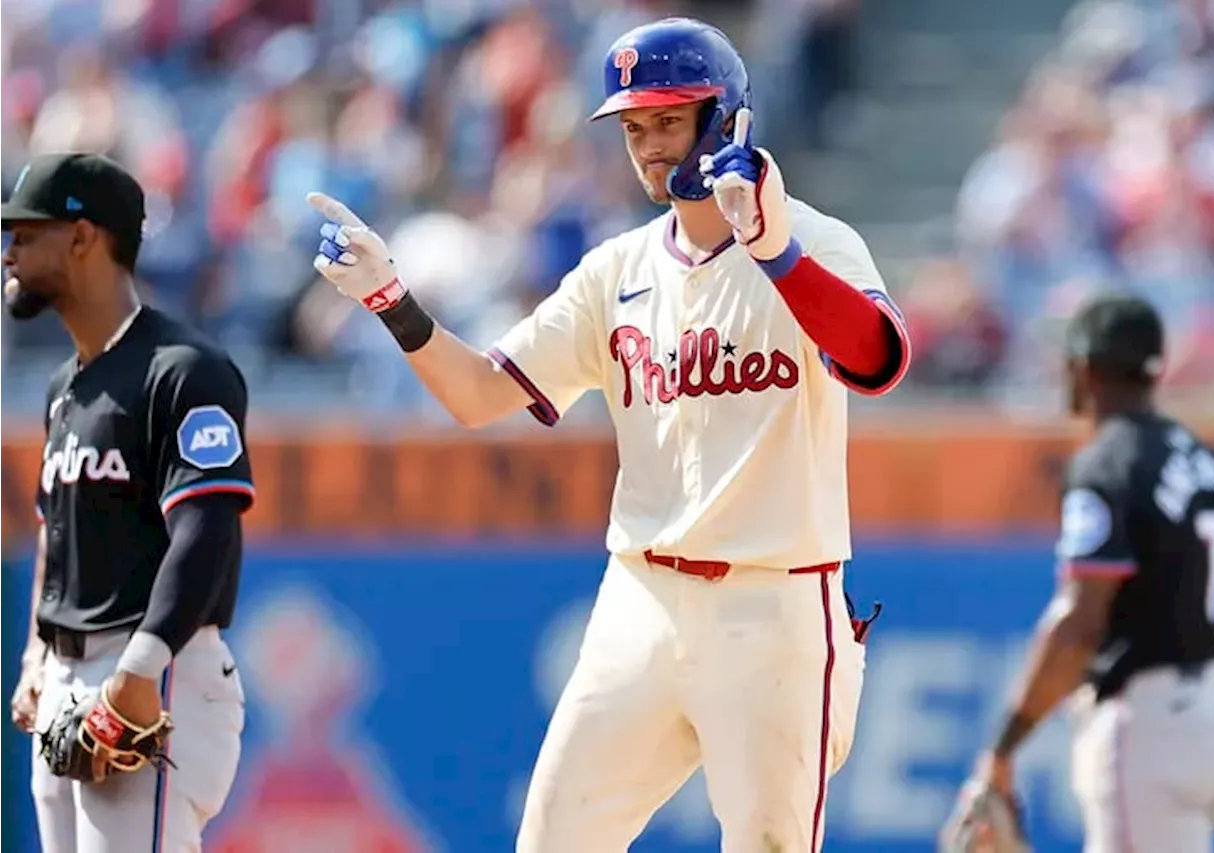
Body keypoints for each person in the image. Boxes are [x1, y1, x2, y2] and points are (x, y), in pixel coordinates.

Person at [307, 16, 910, 851]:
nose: (651, 145)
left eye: (670, 120)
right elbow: (482, 393)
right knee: (554, 837)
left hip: (774, 599)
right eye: (634, 127)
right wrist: (391, 302)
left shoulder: (814, 241)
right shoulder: (615, 270)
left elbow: (877, 359)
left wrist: (777, 254)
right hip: (643, 594)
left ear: (726, 118)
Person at [939, 294, 1214, 853]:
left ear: (1085, 368)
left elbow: (1079, 620)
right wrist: (1212, 671)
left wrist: (1004, 746)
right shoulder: (1213, 462)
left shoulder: (1106, 463)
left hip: (1148, 729)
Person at [3, 152, 255, 852]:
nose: (9, 253)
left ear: (83, 237)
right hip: (66, 676)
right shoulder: (65, 386)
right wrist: (36, 658)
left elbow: (206, 529)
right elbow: (57, 533)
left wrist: (140, 669)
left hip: (150, 671)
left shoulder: (183, 369)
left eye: (26, 233)